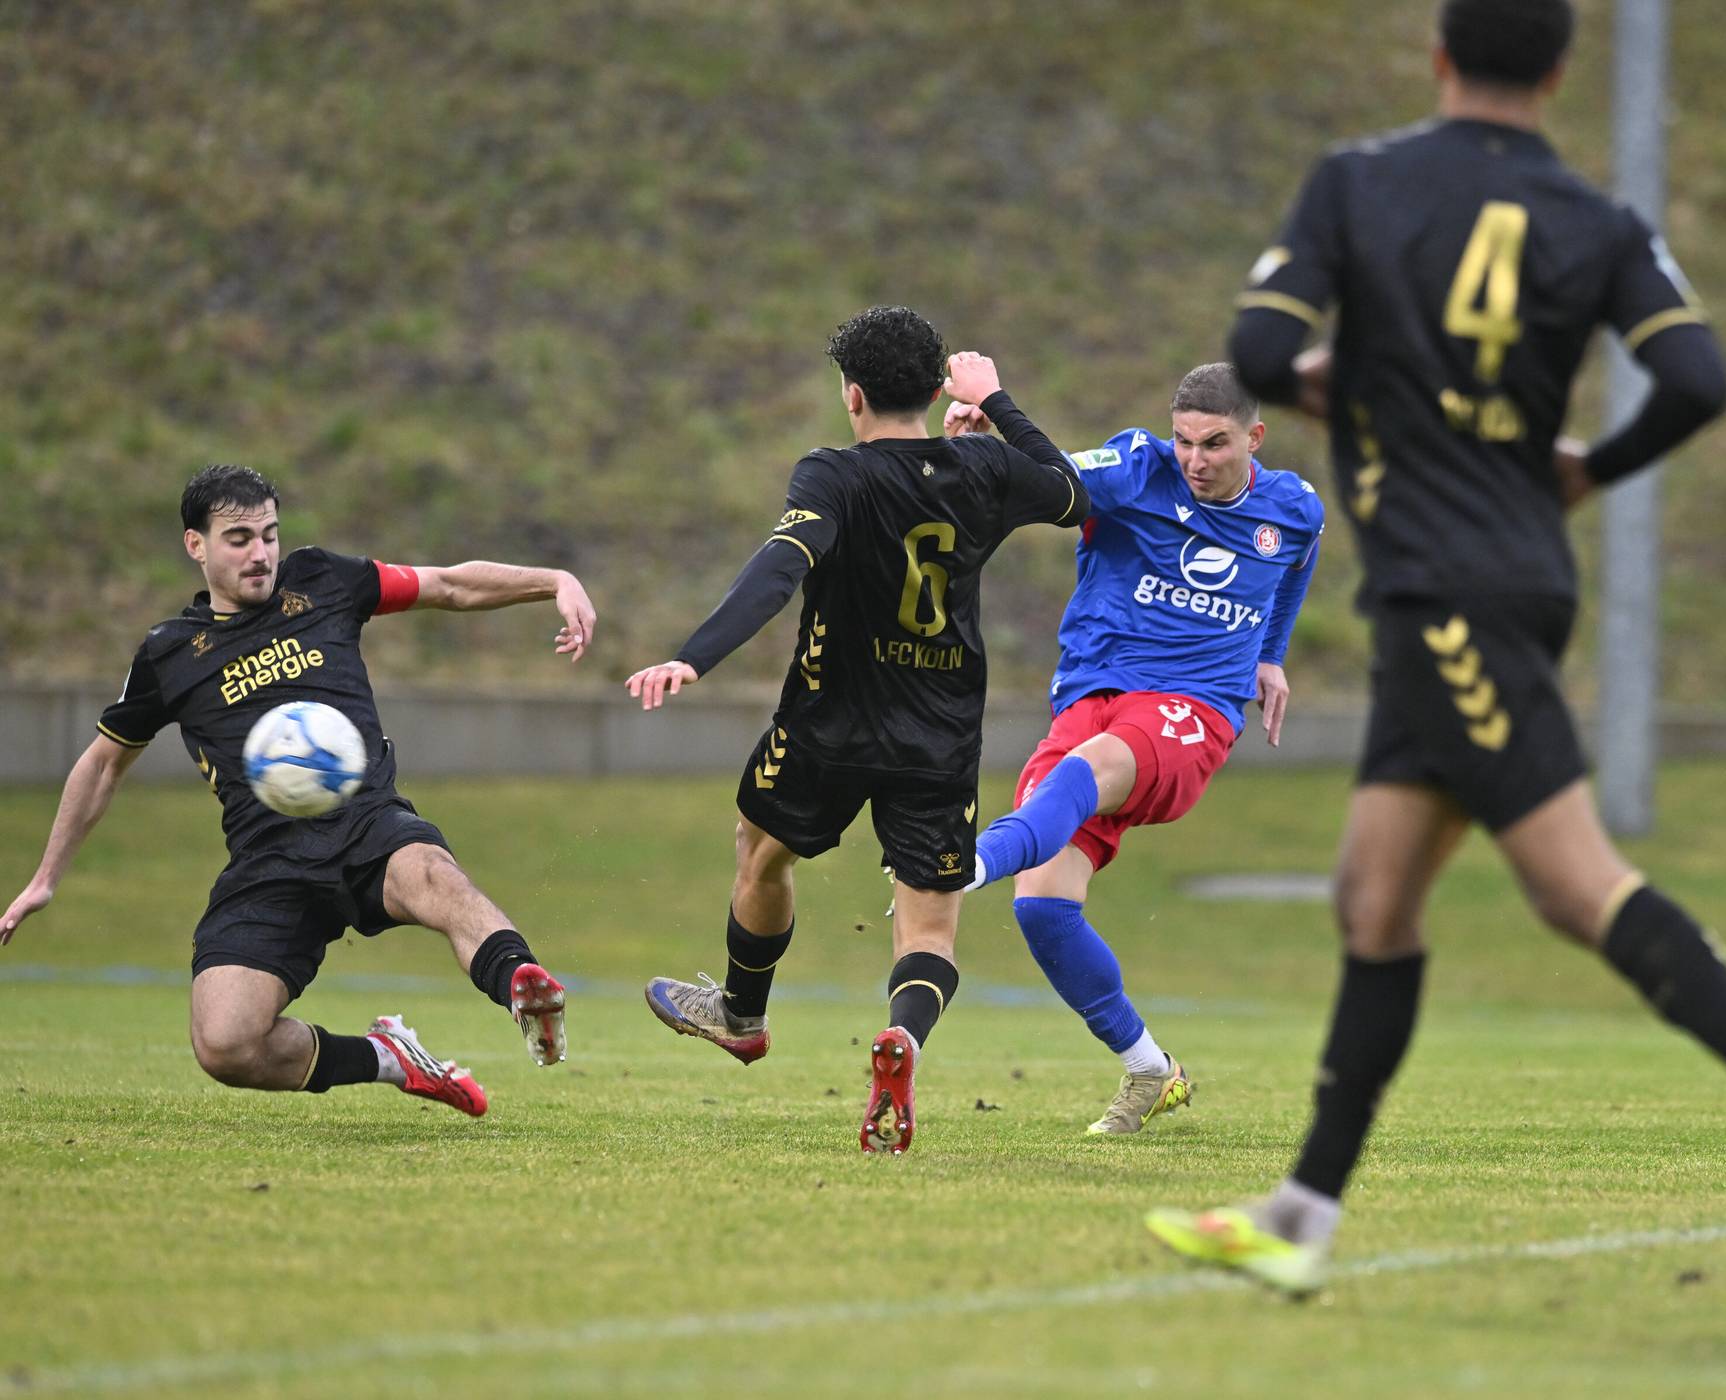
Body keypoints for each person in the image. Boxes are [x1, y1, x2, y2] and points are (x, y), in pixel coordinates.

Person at [1146, 0, 1726, 1294]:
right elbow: (1700, 379)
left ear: (1438, 59)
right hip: (1509, 575)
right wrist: (1590, 467)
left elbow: (1260, 349)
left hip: (1447, 594)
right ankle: (1302, 1218)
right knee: (1373, 900)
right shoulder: (1598, 220)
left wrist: (1359, 386)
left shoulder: (1358, 183)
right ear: (1557, 72)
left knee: (1575, 882)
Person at [629, 306, 1088, 1155]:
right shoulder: (986, 466)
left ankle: (742, 1012)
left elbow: (779, 567)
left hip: (827, 726)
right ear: (937, 386)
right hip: (941, 735)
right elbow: (1070, 494)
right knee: (928, 933)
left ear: (853, 395)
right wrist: (998, 406)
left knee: (761, 853)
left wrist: (695, 657)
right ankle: (902, 1042)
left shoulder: (832, 474)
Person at [1, 465, 592, 1117]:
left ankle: (523, 988)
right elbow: (103, 765)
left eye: (270, 535)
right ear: (195, 544)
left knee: (433, 876)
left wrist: (554, 581)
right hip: (269, 860)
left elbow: (447, 584)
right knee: (225, 1044)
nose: (261, 554)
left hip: (369, 825)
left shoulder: (323, 581)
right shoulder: (170, 655)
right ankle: (389, 1058)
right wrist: (45, 878)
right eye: (239, 538)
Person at [945, 362, 1323, 1134]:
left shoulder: (1292, 509)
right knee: (1045, 909)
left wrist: (1271, 651)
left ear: (1255, 437)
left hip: (1194, 713)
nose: (1195, 462)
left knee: (1093, 770)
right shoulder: (1135, 467)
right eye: (1184, 442)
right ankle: (1150, 1068)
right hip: (1093, 694)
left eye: (1215, 445)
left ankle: (962, 862)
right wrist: (980, 444)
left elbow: (1294, 563)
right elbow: (1047, 483)